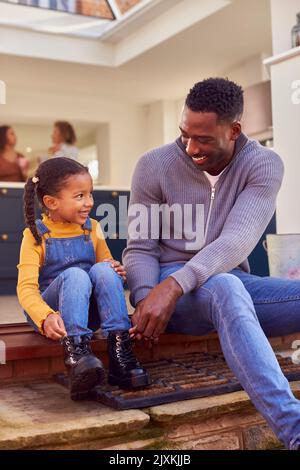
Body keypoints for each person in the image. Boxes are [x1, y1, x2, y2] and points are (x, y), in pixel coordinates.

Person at [123, 77, 300, 450]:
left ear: (234, 130)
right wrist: (147, 297)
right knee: (225, 287)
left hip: (224, 280)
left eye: (203, 139)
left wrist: (176, 286)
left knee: (227, 284)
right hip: (179, 289)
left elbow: (236, 241)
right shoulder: (153, 165)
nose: (190, 147)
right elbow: (139, 247)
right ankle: (295, 431)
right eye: (185, 134)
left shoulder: (264, 165)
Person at [17, 157, 150, 400]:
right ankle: (77, 355)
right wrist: (45, 316)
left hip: (89, 312)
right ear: (51, 202)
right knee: (76, 275)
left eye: (90, 194)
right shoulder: (35, 235)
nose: (89, 202)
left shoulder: (93, 228)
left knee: (102, 270)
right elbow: (26, 290)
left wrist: (115, 270)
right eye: (79, 196)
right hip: (54, 315)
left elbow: (105, 269)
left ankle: (120, 352)